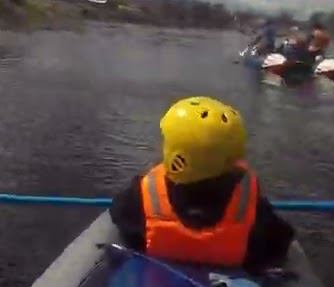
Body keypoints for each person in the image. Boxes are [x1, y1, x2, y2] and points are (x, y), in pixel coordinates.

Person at [109, 96, 294, 271]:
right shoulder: (250, 205)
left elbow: (119, 216)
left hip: (157, 275)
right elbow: (279, 241)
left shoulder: (142, 195)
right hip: (230, 278)